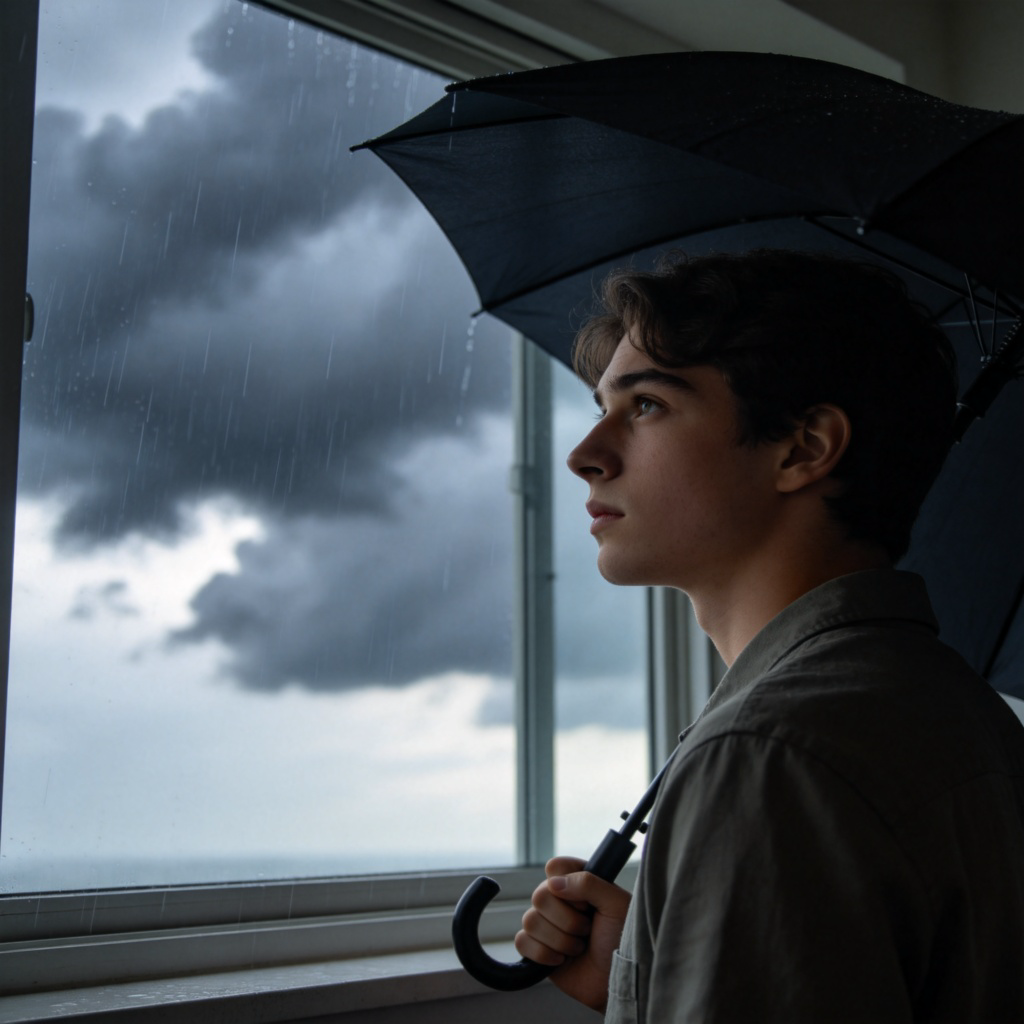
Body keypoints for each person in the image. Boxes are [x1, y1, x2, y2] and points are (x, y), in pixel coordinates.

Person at [515, 250, 1024, 1022]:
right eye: (601, 406)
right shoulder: (959, 710)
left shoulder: (768, 756)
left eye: (646, 405)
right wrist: (649, 968)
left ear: (804, 448)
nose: (586, 455)